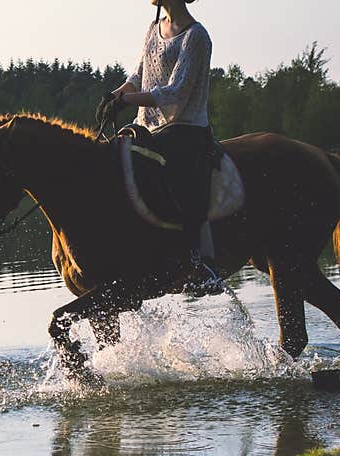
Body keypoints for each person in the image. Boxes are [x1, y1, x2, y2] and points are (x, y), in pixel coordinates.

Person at [107, 0, 224, 296]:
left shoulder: (197, 36)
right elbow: (138, 76)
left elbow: (175, 93)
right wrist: (115, 96)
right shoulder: (153, 28)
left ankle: (202, 263)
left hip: (185, 129)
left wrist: (127, 101)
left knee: (176, 180)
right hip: (146, 126)